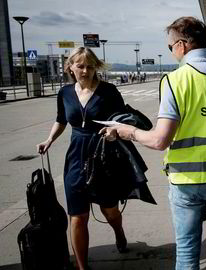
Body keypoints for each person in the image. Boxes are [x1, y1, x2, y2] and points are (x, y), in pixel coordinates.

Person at [101, 16, 206, 269]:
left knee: (187, 246)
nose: (172, 52)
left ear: (182, 45)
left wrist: (128, 131)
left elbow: (160, 140)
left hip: (187, 179)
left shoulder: (175, 81)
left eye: (170, 46)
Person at [36, 47, 128, 270]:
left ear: (95, 67)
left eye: (90, 66)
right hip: (76, 157)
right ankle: (82, 267)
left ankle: (119, 232)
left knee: (110, 210)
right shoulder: (65, 93)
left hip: (102, 154)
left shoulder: (109, 91)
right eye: (80, 66)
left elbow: (122, 119)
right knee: (77, 215)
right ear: (70, 67)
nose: (86, 70)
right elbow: (61, 120)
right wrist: (49, 140)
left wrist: (115, 131)